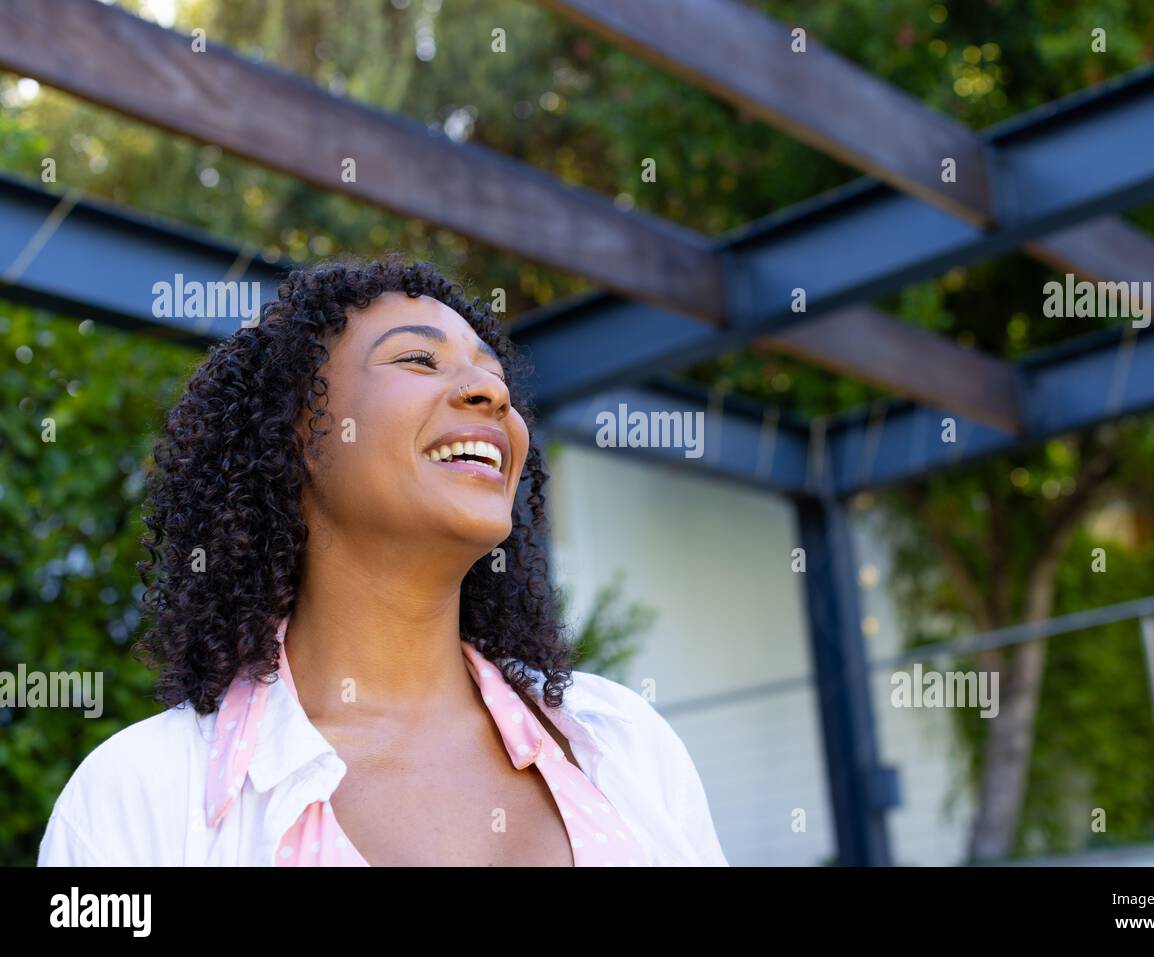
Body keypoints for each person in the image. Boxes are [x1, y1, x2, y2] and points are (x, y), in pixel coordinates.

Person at [37, 255, 728, 867]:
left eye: (493, 375)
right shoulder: (141, 796)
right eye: (418, 360)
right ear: (299, 436)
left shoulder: (625, 743)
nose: (493, 395)